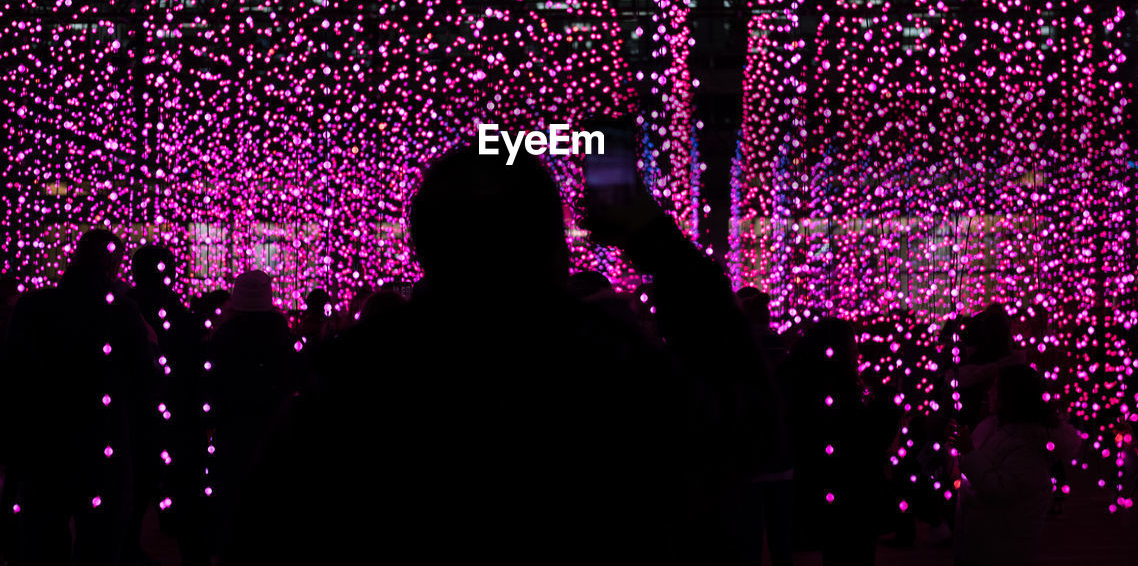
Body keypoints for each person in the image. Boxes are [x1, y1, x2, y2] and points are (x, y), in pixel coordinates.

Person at [226, 142, 782, 566]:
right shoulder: (605, 364)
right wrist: (655, 241)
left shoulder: (364, 372)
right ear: (553, 250)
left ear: (424, 246)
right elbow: (748, 427)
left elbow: (263, 529)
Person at [2, 228, 158, 566]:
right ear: (113, 265)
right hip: (103, 445)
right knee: (99, 547)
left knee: (42, 547)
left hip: (44, 444)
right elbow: (144, 379)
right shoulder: (121, 311)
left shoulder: (33, 306)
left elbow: (12, 375)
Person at [778, 318, 899, 566]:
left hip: (823, 496)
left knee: (834, 553)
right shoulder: (841, 390)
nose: (857, 353)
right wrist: (885, 402)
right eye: (853, 347)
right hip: (855, 498)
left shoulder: (803, 384)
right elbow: (870, 438)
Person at [205, 270, 300, 560]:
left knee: (232, 493)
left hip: (232, 425)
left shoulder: (223, 334)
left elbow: (211, 382)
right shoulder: (279, 331)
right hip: (271, 423)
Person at [125, 245, 209, 566]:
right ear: (171, 273)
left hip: (135, 420)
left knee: (131, 502)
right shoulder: (185, 316)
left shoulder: (122, 312)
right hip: (180, 420)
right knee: (187, 504)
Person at [950, 363, 1082, 566]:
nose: (990, 392)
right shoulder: (993, 428)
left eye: (996, 388)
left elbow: (998, 490)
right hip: (981, 542)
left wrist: (969, 453)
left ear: (1011, 396)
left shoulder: (1029, 444)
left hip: (1003, 548)